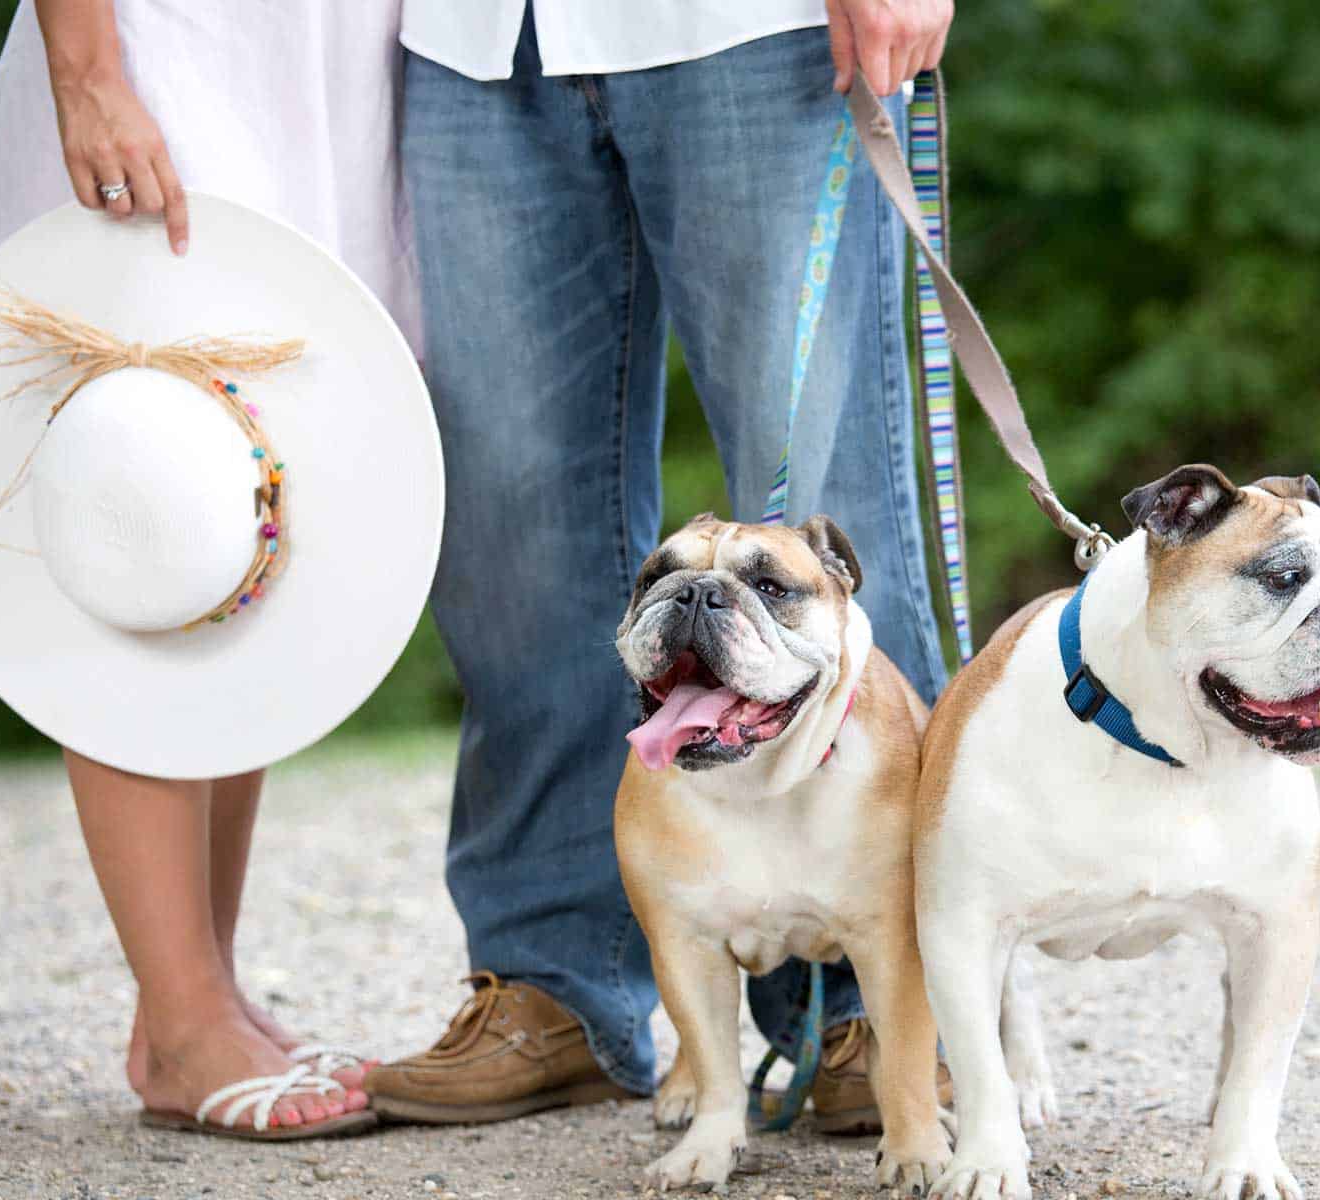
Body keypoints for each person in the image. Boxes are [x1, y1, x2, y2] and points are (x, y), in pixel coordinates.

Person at [365, 0, 957, 1126]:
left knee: (824, 513)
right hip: (471, 38)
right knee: (512, 526)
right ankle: (553, 982)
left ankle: (867, 1007)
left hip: (756, 26)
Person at [0, 0, 415, 1137]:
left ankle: (191, 1001)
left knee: (246, 513)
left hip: (324, 60)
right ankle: (188, 1016)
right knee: (149, 480)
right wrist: (89, 69)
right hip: (173, 47)